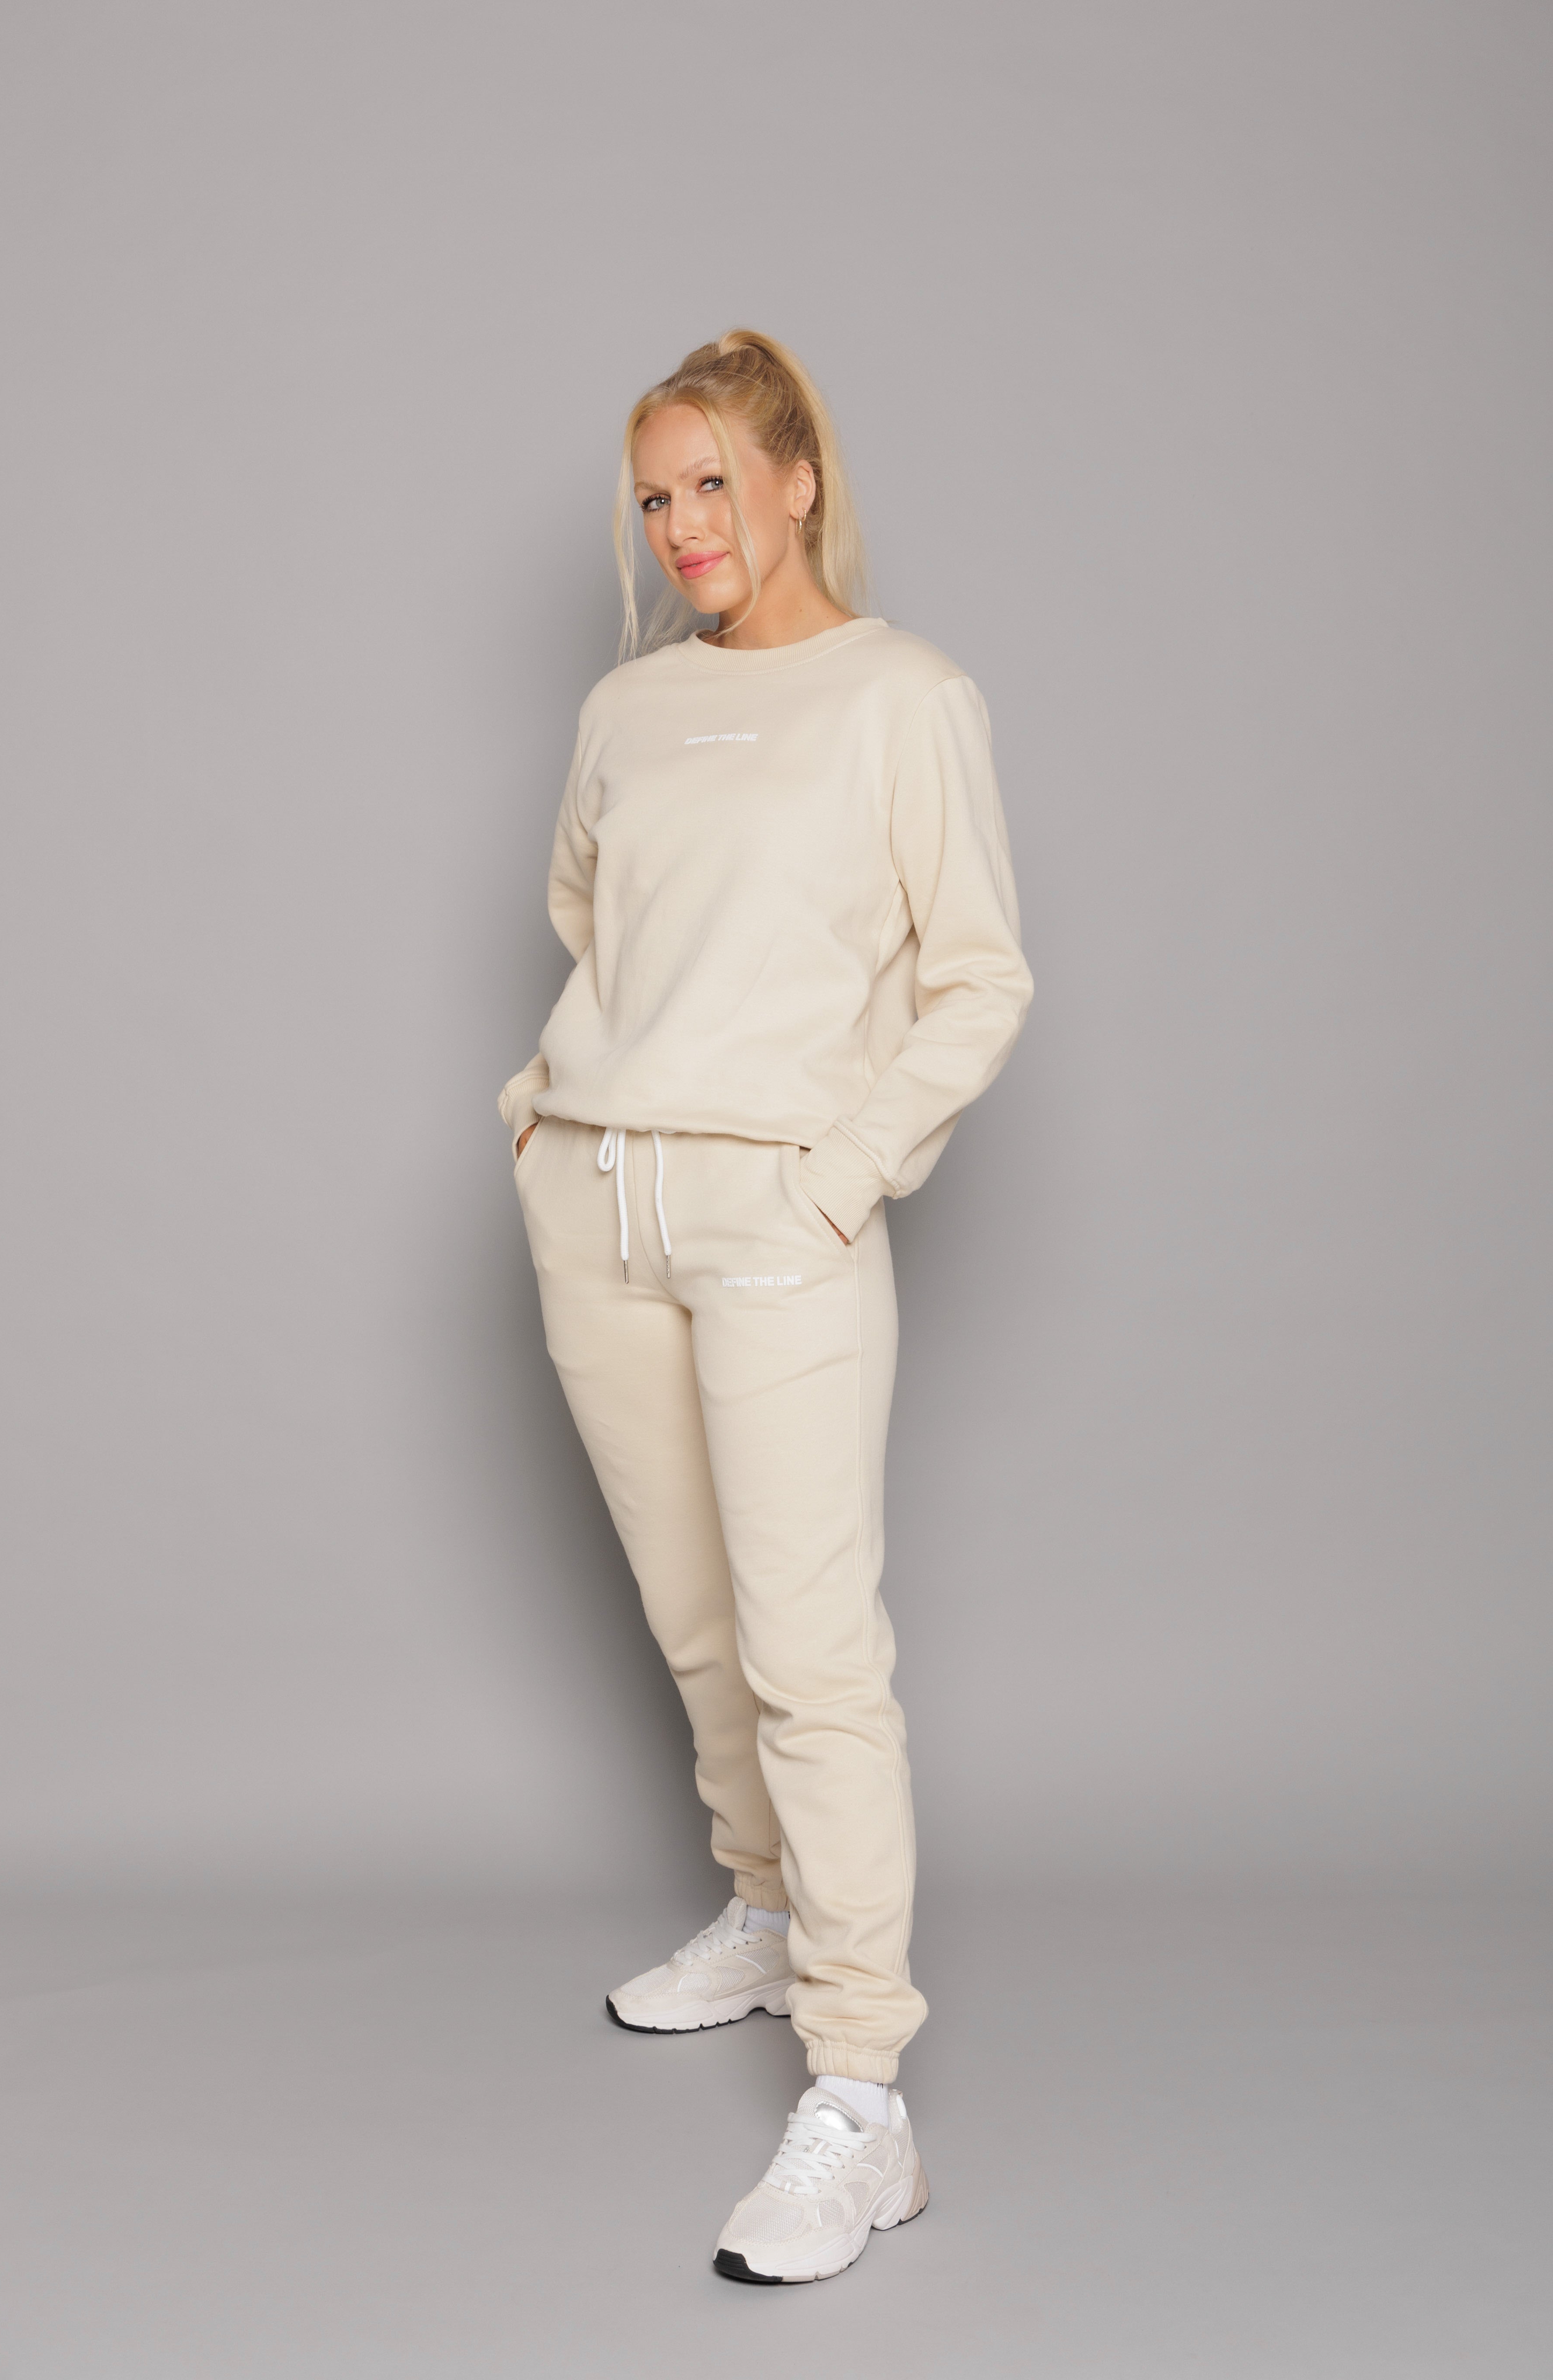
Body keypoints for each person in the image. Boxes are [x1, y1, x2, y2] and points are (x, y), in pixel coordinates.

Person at [499, 330, 1032, 2283]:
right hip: (599, 1202)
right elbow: (593, 918)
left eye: (714, 481)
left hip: (778, 1218)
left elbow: (979, 977)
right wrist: (561, 1115)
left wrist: (835, 1169)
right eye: (656, 495)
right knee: (696, 1619)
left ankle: (862, 2098)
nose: (683, 525)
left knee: (815, 1652)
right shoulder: (628, 707)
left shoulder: (908, 697)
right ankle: (764, 1910)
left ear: (800, 479)